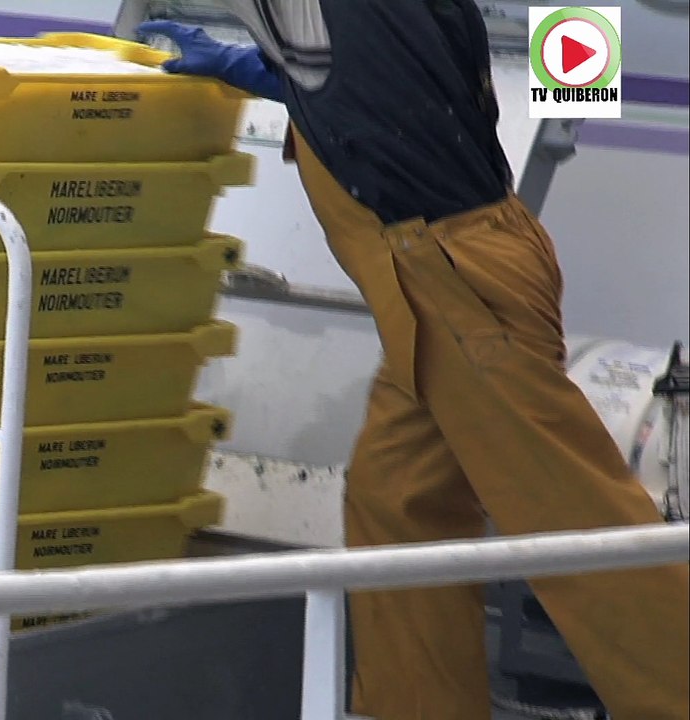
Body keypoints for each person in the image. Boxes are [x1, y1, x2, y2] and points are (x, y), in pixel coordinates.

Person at [138, 5, 689, 720]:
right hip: (444, 284)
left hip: (454, 278)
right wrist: (267, 75)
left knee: (574, 522)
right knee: (395, 500)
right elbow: (370, 86)